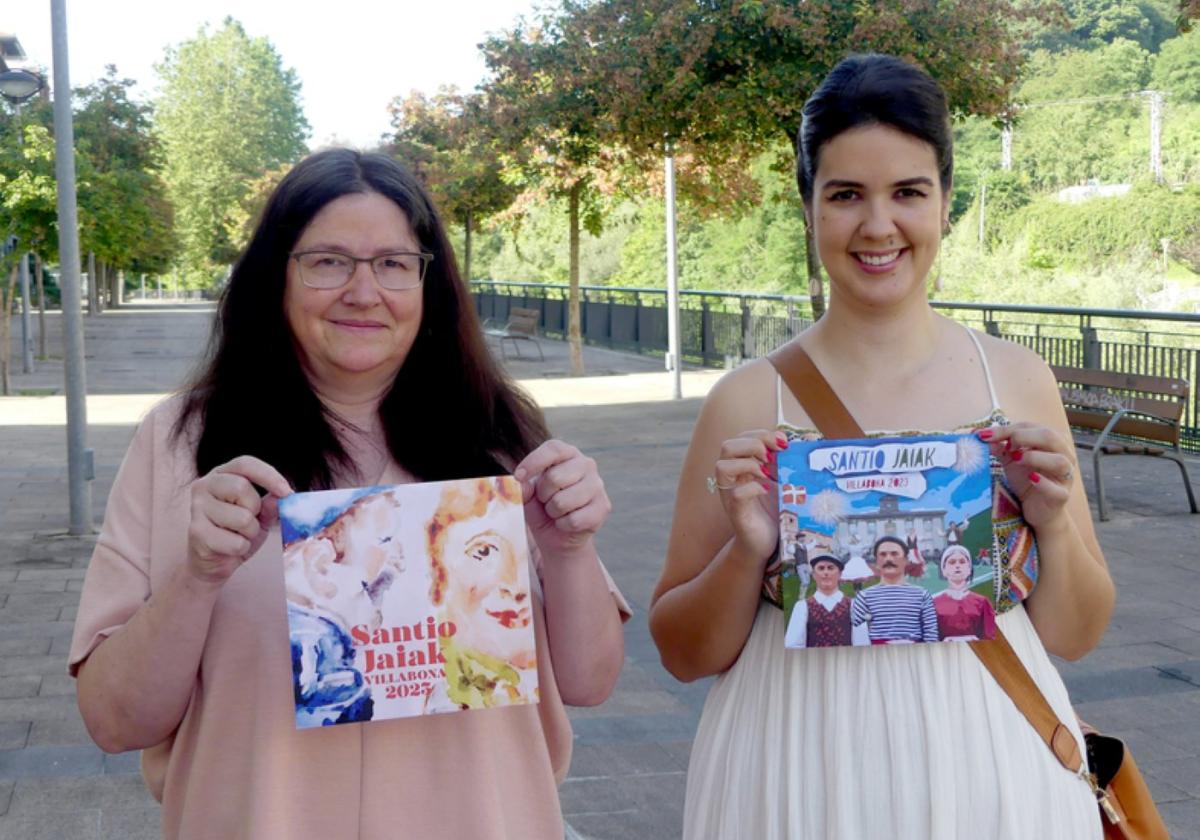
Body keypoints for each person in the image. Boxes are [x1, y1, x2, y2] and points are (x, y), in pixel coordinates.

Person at [67, 148, 628, 840]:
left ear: (430, 284)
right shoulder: (180, 442)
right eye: (328, 261)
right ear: (277, 276)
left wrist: (570, 550)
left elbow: (591, 681)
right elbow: (114, 719)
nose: (365, 292)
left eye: (394, 264)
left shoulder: (501, 436)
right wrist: (198, 576)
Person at [651, 54, 1113, 839]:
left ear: (945, 203)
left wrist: (1055, 523)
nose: (877, 225)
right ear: (808, 207)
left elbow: (1074, 633)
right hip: (796, 769)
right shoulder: (748, 398)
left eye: (907, 192)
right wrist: (746, 549)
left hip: (993, 765)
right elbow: (683, 652)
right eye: (844, 195)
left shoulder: (1014, 381)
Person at [849, 536, 939, 644]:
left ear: (906, 560)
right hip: (878, 656)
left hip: (914, 655)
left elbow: (931, 635)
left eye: (894, 554)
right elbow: (854, 631)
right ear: (876, 562)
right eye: (883, 554)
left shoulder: (922, 595)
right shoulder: (864, 597)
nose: (888, 559)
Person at [782, 553, 869, 648]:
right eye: (821, 568)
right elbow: (793, 645)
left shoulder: (855, 606)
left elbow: (862, 644)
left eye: (831, 568)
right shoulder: (802, 607)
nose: (826, 572)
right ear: (814, 575)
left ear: (840, 574)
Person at [934, 544, 998, 641]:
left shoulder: (982, 602)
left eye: (962, 562)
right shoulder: (933, 604)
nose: (957, 565)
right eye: (952, 562)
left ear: (969, 569)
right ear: (944, 570)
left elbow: (990, 636)